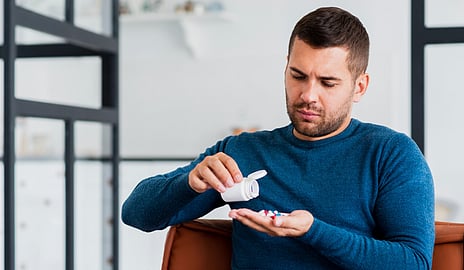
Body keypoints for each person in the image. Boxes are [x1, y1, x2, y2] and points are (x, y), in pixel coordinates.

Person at [122, 6, 434, 269]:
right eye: (298, 76)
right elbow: (135, 214)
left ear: (360, 87)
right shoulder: (244, 151)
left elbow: (415, 262)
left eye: (328, 82)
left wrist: (312, 231)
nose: (308, 95)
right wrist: (189, 182)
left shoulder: (391, 153)